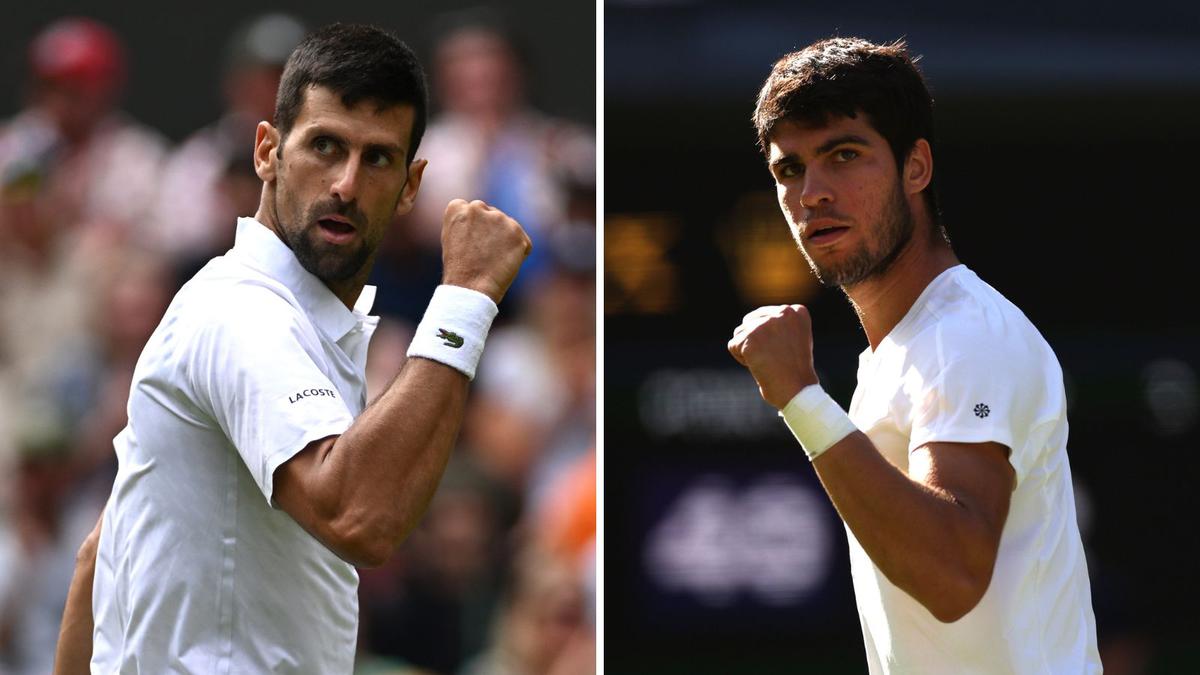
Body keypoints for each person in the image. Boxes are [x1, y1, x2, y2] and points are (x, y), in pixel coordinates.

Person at [52, 23, 531, 673]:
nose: (346, 183)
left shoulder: (292, 320)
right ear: (267, 152)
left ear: (411, 185)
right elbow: (359, 515)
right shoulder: (242, 312)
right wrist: (467, 298)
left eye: (378, 158)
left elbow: (98, 556)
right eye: (325, 146)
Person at [726, 38, 1100, 673]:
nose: (813, 192)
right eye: (790, 169)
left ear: (916, 167)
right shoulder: (898, 351)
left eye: (844, 155)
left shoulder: (965, 335)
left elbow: (952, 576)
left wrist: (799, 397)